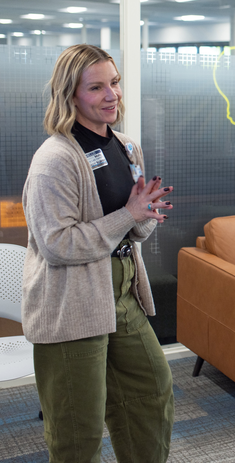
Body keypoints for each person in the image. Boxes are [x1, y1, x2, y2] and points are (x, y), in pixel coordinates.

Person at [21, 44, 175, 462]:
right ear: (70, 95)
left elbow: (134, 230)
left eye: (115, 82)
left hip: (123, 294)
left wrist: (145, 213)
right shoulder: (54, 160)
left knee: (152, 391)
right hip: (70, 303)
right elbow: (58, 244)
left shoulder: (127, 148)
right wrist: (127, 213)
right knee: (78, 428)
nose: (112, 95)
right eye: (96, 87)